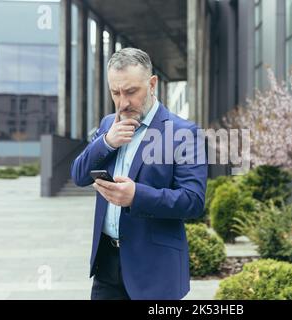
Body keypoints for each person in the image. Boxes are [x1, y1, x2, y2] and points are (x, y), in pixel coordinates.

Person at [71, 48, 207, 300]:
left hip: (155, 272)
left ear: (152, 83)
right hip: (106, 267)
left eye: (131, 91)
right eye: (116, 92)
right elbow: (79, 175)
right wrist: (106, 142)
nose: (123, 102)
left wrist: (136, 196)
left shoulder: (184, 132)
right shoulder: (107, 125)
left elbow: (193, 201)